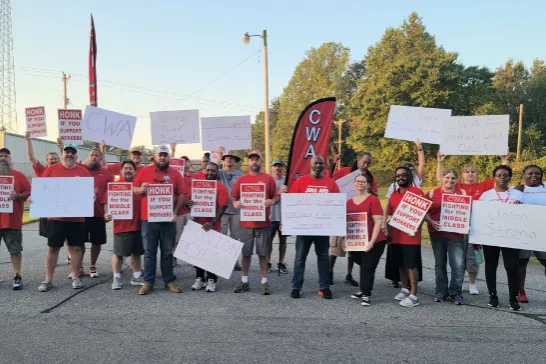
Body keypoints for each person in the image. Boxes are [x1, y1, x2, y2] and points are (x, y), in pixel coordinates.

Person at [436, 153, 509, 295]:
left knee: (473, 255)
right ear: (462, 175)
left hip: (476, 227)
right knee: (458, 256)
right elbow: (441, 179)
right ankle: (459, 283)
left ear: (476, 174)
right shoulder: (458, 185)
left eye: (473, 172)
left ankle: (472, 283)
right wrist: (440, 162)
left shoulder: (483, 186)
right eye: (467, 172)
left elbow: (502, 177)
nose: (470, 174)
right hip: (457, 225)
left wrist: (504, 160)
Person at [133, 145, 187, 295]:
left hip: (168, 220)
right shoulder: (144, 172)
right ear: (154, 157)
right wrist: (140, 189)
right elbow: (133, 189)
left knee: (167, 252)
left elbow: (182, 194)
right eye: (160, 155)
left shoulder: (175, 173)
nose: (162, 157)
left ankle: (169, 280)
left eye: (165, 155)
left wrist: (175, 212)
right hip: (148, 220)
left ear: (169, 158)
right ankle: (148, 282)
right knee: (150, 252)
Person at [38, 144, 91, 292]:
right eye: (67, 152)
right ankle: (48, 279)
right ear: (62, 154)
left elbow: (89, 192)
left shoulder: (83, 172)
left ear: (76, 156)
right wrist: (34, 197)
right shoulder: (51, 170)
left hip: (77, 218)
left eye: (72, 153)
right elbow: (43, 189)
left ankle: (75, 276)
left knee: (75, 247)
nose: (69, 155)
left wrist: (91, 195)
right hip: (56, 218)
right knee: (53, 248)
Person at [290, 155, 340, 299]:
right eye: (315, 163)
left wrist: (336, 223)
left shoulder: (331, 184)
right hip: (303, 228)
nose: (318, 166)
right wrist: (287, 222)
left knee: (323, 257)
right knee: (300, 257)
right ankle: (296, 287)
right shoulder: (300, 183)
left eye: (321, 163)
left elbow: (336, 205)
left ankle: (324, 287)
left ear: (324, 166)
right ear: (310, 165)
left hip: (323, 228)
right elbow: (292, 205)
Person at [231, 150, 279, 295]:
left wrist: (272, 201)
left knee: (263, 254)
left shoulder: (268, 179)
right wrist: (235, 203)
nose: (254, 162)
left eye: (257, 159)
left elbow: (277, 196)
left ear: (261, 161)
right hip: (246, 223)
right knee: (246, 254)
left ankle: (264, 281)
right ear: (248, 161)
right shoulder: (242, 180)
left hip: (263, 224)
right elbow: (233, 196)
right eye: (252, 159)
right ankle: (244, 280)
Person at [479, 165, 523, 311]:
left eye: (506, 175)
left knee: (512, 267)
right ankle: (493, 296)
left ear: (510, 177)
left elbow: (526, 215)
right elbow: (480, 217)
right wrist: (477, 238)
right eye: (499, 175)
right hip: (491, 237)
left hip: (511, 237)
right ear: (494, 178)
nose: (503, 177)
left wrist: (521, 206)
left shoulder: (518, 194)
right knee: (491, 266)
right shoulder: (486, 196)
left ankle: (513, 298)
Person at [330, 151, 378, 286]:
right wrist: (333, 163)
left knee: (353, 247)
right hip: (341, 212)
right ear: (358, 160)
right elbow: (330, 180)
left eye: (369, 163)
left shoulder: (369, 177)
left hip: (357, 215)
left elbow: (376, 194)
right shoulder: (345, 171)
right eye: (364, 161)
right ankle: (329, 272)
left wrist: (369, 189)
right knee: (336, 245)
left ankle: (349, 275)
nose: (366, 165)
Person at [383, 166, 425, 307]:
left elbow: (423, 213)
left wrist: (417, 225)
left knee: (411, 266)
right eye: (398, 175)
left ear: (409, 176)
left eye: (403, 175)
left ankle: (414, 296)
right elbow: (387, 210)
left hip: (410, 236)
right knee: (401, 264)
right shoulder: (394, 194)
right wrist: (384, 223)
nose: (401, 177)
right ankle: (405, 289)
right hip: (396, 235)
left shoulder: (417, 192)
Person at [424, 169, 466, 305]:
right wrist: (431, 221)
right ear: (441, 178)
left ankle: (456, 293)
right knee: (440, 264)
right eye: (447, 177)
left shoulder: (462, 194)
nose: (450, 180)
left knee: (458, 265)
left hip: (456, 234)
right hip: (437, 233)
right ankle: (441, 291)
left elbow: (469, 212)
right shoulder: (432, 193)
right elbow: (421, 210)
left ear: (457, 180)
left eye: (453, 178)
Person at [185, 162, 229, 292]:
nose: (210, 173)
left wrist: (213, 221)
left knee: (211, 254)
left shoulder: (221, 187)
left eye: (213, 171)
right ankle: (199, 278)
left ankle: (211, 279)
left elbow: (223, 206)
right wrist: (189, 204)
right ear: (204, 171)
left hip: (212, 226)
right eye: (208, 170)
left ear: (217, 172)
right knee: (198, 253)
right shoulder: (197, 187)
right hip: (197, 225)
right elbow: (188, 203)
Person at [104, 160, 145, 290]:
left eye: (130, 168)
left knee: (136, 253)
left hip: (139, 225)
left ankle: (136, 276)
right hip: (121, 226)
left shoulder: (140, 185)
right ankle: (116, 278)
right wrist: (106, 214)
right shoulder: (115, 186)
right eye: (125, 168)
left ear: (135, 171)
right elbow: (106, 202)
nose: (128, 171)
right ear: (121, 171)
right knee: (118, 253)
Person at [347, 171, 386, 306]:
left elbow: (378, 221)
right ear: (354, 184)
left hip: (376, 240)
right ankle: (363, 289)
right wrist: (343, 240)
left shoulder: (373, 200)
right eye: (357, 181)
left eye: (363, 181)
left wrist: (372, 241)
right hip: (356, 242)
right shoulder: (349, 202)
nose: (360, 183)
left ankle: (366, 294)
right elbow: (346, 223)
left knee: (368, 265)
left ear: (368, 185)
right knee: (361, 262)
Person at [76, 148, 114, 279]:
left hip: (98, 214)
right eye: (91, 155)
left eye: (97, 156)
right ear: (88, 156)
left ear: (101, 158)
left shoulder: (107, 174)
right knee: (79, 241)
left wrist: (107, 211)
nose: (93, 157)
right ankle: (78, 266)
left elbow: (111, 194)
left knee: (96, 242)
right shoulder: (80, 170)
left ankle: (92, 265)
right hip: (81, 213)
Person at [513, 165, 546, 303]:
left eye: (537, 173)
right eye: (530, 173)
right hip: (523, 232)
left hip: (542, 232)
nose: (534, 176)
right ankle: (520, 291)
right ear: (523, 174)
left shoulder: (545, 189)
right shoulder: (517, 190)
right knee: (522, 262)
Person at [0, 148, 30, 290]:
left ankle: (17, 275)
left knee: (15, 250)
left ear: (10, 159)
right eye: (1, 156)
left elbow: (29, 192)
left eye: (6, 156)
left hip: (12, 220)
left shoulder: (18, 175)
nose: (3, 158)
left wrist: (17, 196)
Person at [24, 132, 62, 244]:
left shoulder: (64, 171)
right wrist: (29, 141)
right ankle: (51, 254)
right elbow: (31, 158)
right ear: (46, 161)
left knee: (65, 231)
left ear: (59, 160)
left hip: (61, 205)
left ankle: (70, 254)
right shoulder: (41, 170)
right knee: (51, 235)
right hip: (46, 207)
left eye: (55, 158)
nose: (53, 160)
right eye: (51, 159)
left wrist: (61, 148)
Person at [215, 146, 243, 271]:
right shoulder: (220, 173)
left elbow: (245, 190)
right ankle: (222, 260)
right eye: (226, 158)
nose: (229, 160)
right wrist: (219, 155)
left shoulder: (240, 174)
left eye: (231, 158)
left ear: (235, 161)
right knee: (222, 236)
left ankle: (234, 260)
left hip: (236, 210)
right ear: (223, 160)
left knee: (235, 237)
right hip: (223, 210)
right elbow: (212, 168)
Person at [268, 159, 288, 274]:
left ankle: (281, 262)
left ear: (282, 168)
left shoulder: (286, 180)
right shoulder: (268, 180)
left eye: (279, 166)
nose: (277, 168)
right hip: (271, 216)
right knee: (269, 240)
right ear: (272, 168)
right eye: (275, 166)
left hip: (283, 216)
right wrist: (280, 192)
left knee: (283, 240)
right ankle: (268, 262)